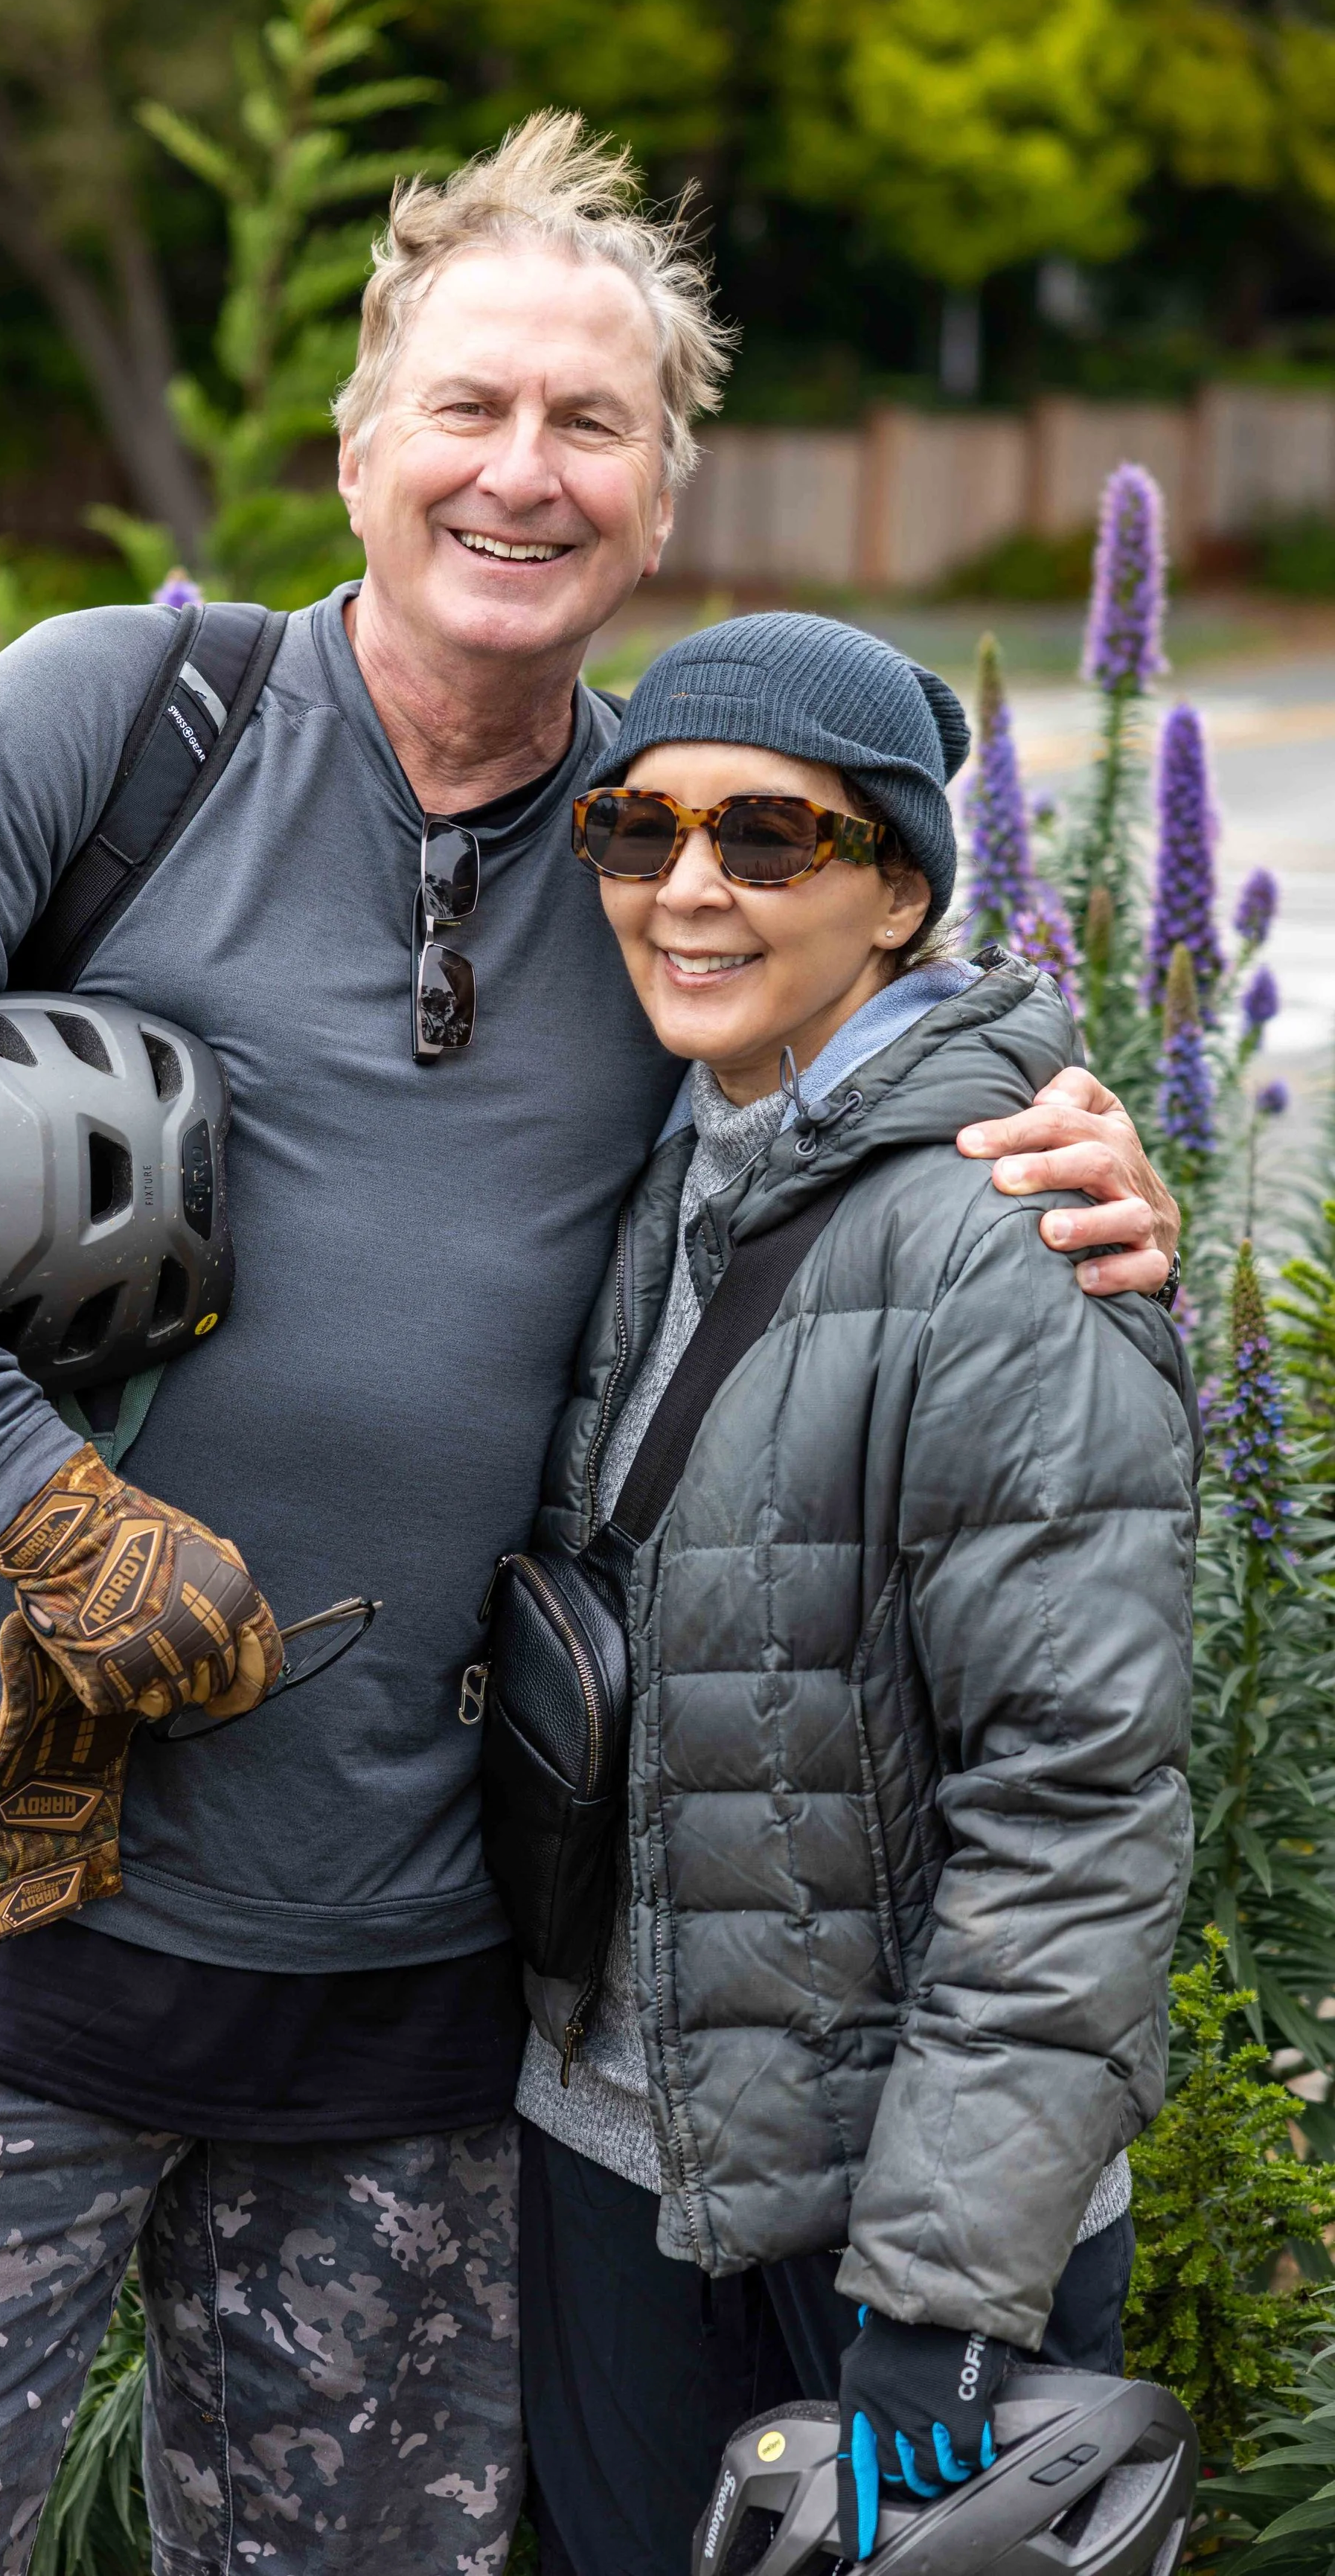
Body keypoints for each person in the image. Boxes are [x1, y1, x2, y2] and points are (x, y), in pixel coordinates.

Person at [0, 116, 1176, 2576]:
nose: (518, 471)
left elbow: (866, 1087)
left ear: (661, 497)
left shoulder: (669, 870)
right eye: (466, 406)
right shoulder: (120, 723)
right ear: (357, 447)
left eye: (589, 425)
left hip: (420, 2016)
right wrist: (44, 1498)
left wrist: (1077, 1147)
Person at [513, 612, 1197, 2576]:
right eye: (637, 832)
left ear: (896, 885)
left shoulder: (1003, 1240)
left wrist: (948, 2281)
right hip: (619, 2165)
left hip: (888, 2238)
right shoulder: (661, 1166)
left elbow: (1072, 1800)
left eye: (768, 837)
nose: (688, 888)